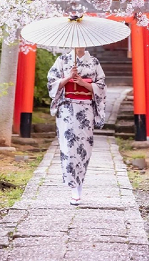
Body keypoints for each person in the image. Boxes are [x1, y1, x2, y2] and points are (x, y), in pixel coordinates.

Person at [47, 47, 106, 205]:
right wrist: (67, 79)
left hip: (86, 110)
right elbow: (51, 83)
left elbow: (101, 86)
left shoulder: (94, 62)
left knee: (84, 148)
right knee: (68, 147)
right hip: (67, 109)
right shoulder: (62, 60)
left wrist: (83, 83)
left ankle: (80, 184)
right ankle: (73, 188)